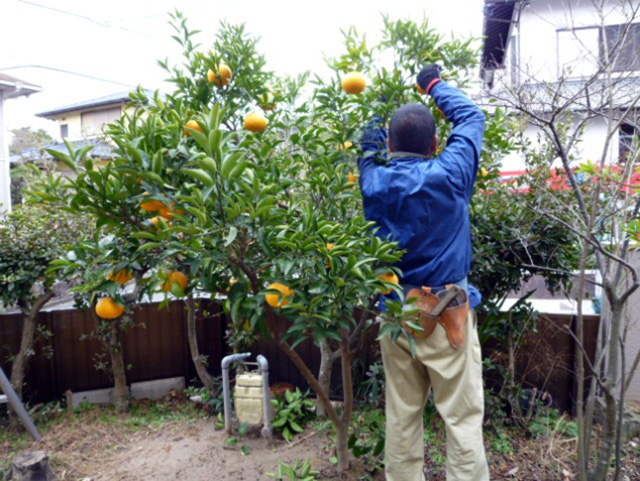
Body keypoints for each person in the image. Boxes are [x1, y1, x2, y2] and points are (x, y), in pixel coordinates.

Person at [358, 64, 490, 481]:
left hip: (396, 316)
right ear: (436, 142)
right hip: (448, 313)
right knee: (462, 418)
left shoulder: (372, 181)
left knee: (402, 415)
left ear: (389, 144)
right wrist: (432, 83)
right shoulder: (450, 173)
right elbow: (472, 117)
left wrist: (377, 103)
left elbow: (365, 144)